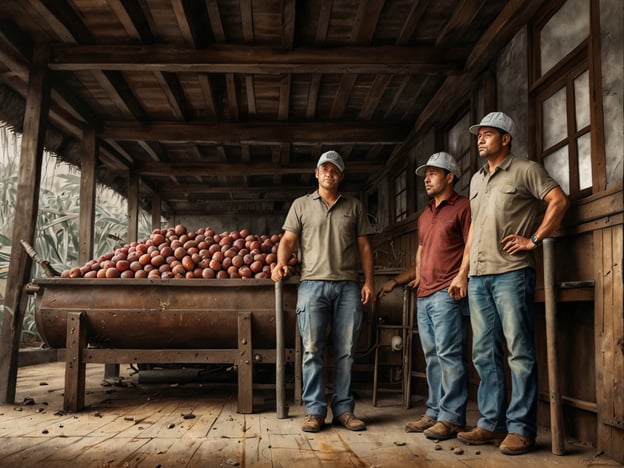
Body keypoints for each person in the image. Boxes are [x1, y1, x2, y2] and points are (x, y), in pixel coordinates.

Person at [456, 112, 569, 455]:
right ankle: (491, 423)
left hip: (512, 272)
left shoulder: (525, 169)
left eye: (488, 134)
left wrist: (533, 239)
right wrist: (463, 271)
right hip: (478, 277)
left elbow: (558, 201)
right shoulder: (476, 180)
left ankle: (522, 428)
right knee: (483, 352)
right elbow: (474, 227)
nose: (480, 139)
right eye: (479, 135)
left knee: (519, 351)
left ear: (505, 138)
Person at [271, 150, 375, 433]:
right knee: (311, 349)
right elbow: (288, 240)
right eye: (324, 168)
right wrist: (280, 264)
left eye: (335, 170)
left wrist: (369, 282)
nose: (329, 173)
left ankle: (343, 409)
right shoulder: (301, 205)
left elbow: (365, 246)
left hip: (348, 286)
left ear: (340, 176)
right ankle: (315, 411)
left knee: (346, 351)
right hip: (312, 285)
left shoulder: (354, 206)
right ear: (316, 173)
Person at [398, 152, 471, 440]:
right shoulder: (426, 212)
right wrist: (418, 276)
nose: (426, 179)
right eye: (425, 174)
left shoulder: (463, 206)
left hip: (447, 291)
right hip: (425, 293)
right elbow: (421, 248)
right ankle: (434, 411)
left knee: (449, 355)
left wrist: (461, 276)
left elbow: (470, 244)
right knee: (431, 355)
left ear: (450, 176)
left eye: (433, 173)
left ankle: (452, 418)